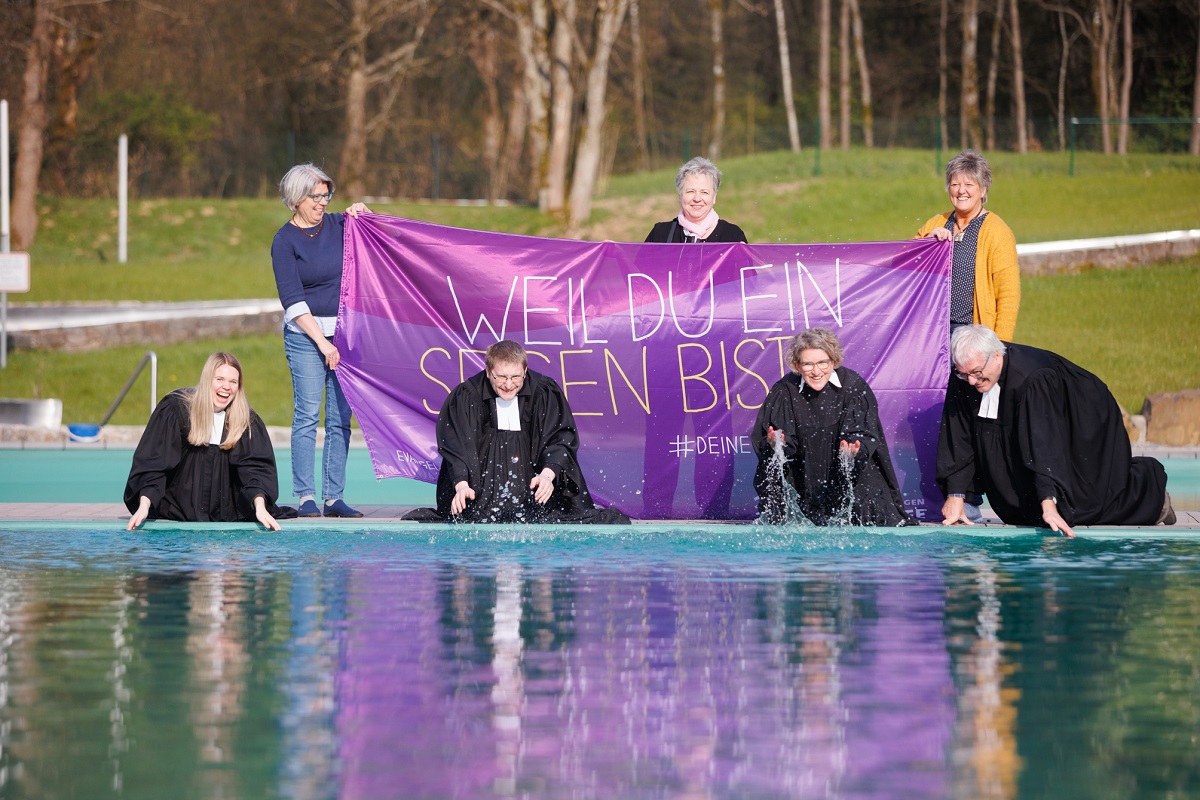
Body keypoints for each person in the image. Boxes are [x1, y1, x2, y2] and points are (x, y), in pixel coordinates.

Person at [937, 325, 1174, 537]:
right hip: (1043, 423)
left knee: (1076, 506)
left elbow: (1044, 443)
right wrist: (956, 495)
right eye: (963, 373)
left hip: (1083, 418)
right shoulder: (967, 373)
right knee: (1020, 511)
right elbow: (959, 435)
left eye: (976, 373)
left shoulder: (1032, 380)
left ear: (996, 356)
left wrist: (1049, 503)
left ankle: (1152, 493)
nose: (970, 381)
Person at [408, 340, 630, 524]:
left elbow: (560, 438)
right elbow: (457, 446)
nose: (508, 384)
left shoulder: (544, 392)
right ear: (488, 371)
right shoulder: (467, 396)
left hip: (533, 489)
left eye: (515, 377)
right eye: (501, 377)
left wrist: (548, 474)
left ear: (525, 370)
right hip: (481, 492)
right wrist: (462, 485)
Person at [271, 163, 372, 518]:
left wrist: (364, 214)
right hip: (305, 337)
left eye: (327, 195)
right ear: (296, 199)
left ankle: (334, 497)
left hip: (345, 334)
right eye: (316, 196)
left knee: (340, 419)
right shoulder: (284, 241)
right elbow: (293, 300)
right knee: (307, 415)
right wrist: (323, 343)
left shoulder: (340, 225)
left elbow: (376, 239)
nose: (323, 202)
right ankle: (306, 496)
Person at [752, 328, 919, 526]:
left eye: (823, 362)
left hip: (854, 487)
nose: (816, 371)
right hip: (803, 485)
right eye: (808, 364)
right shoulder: (784, 390)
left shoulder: (853, 386)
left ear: (833, 361)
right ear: (797, 365)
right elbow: (781, 439)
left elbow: (862, 433)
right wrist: (777, 443)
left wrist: (853, 451)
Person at [125, 352, 289, 530]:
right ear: (207, 380)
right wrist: (143, 508)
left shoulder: (246, 421)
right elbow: (154, 463)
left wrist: (260, 508)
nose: (226, 387)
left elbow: (255, 471)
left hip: (227, 514)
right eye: (219, 379)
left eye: (233, 382)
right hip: (177, 512)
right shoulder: (176, 410)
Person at [917, 150, 1020, 341]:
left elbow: (1008, 296)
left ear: (983, 189)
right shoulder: (935, 223)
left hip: (972, 337)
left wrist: (1000, 345)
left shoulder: (998, 232)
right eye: (955, 184)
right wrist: (927, 243)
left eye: (969, 184)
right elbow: (907, 266)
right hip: (931, 332)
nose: (961, 190)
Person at [645, 157, 748, 244]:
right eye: (690, 191)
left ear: (714, 198)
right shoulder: (660, 234)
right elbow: (637, 268)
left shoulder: (733, 237)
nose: (697, 199)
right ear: (680, 195)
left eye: (704, 192)